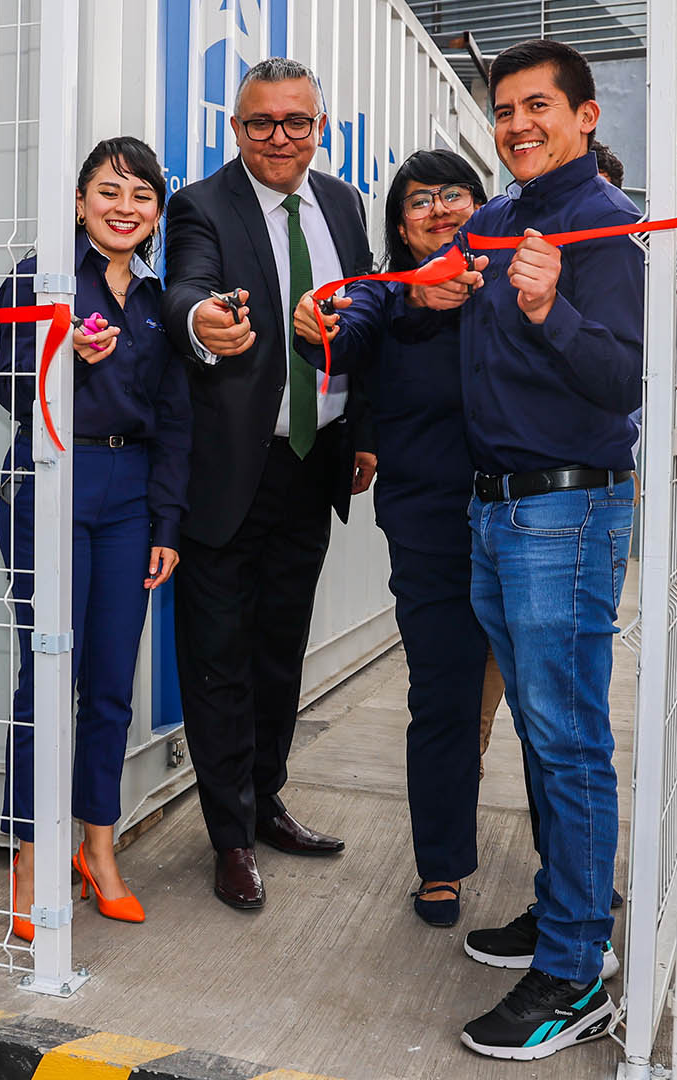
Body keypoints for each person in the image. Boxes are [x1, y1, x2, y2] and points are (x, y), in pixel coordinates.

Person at [400, 39, 643, 1061]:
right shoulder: (498, 220)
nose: (516, 125)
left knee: (567, 737)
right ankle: (562, 918)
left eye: (538, 106)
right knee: (546, 734)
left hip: (567, 511)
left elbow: (621, 379)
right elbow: (421, 287)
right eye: (502, 111)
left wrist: (549, 308)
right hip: (495, 509)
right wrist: (413, 295)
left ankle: (578, 969)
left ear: (586, 117)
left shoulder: (615, 230)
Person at [164, 57, 376, 911]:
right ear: (236, 128)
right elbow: (185, 288)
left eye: (297, 122)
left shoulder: (344, 205)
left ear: (319, 127)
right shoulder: (201, 206)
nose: (279, 138)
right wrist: (200, 324)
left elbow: (365, 316)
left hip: (312, 457)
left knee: (280, 650)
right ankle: (228, 836)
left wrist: (359, 433)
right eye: (261, 123)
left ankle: (267, 799)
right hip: (229, 473)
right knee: (218, 660)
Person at [0, 137, 190, 941]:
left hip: (129, 497)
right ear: (80, 202)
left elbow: (176, 419)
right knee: (48, 681)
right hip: (48, 485)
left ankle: (98, 852)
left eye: (141, 196)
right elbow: (7, 391)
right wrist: (60, 353)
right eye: (109, 191)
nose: (124, 207)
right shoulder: (40, 279)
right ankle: (31, 862)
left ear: (155, 214)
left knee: (111, 682)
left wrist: (167, 522)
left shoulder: (157, 299)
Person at [290, 149, 492, 928]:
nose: (438, 210)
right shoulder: (384, 292)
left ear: (483, 205)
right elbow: (340, 329)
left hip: (528, 518)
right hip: (430, 524)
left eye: (454, 194)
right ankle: (440, 866)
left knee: (547, 705)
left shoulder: (515, 282)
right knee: (441, 696)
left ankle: (564, 864)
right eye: (418, 201)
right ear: (399, 225)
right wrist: (320, 320)